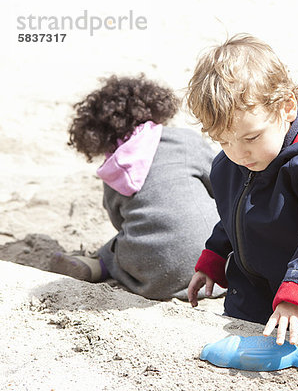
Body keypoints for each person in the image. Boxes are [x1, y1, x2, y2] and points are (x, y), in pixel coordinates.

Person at [185, 34, 298, 345]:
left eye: (251, 137)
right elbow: (237, 211)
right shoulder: (234, 161)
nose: (238, 153)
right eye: (224, 141)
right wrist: (215, 256)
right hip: (254, 293)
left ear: (285, 108)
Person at [50, 74, 221, 300]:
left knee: (124, 242)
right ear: (155, 106)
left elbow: (119, 222)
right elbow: (219, 184)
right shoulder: (184, 140)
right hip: (215, 271)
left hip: (153, 280)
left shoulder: (113, 170)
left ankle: (98, 265)